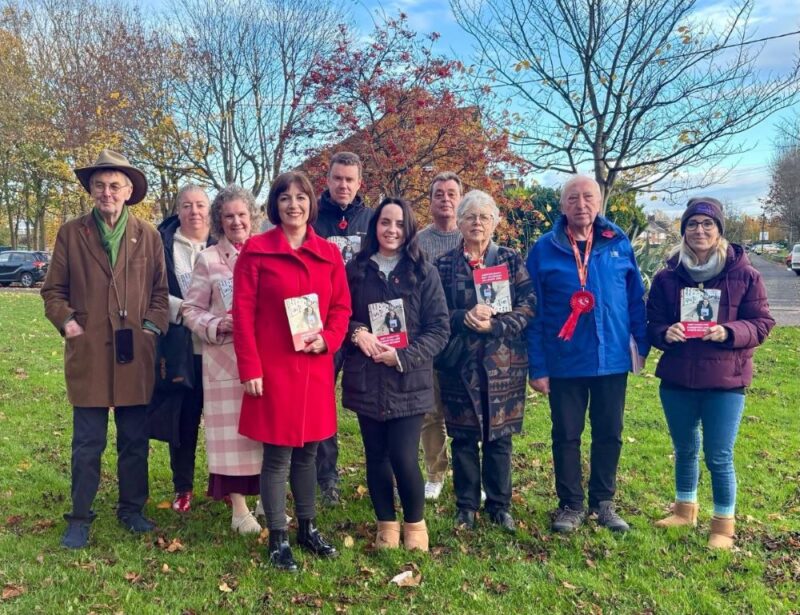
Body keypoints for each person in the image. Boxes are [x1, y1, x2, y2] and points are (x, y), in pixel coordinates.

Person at [41, 149, 168, 548]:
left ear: (129, 190)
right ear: (90, 190)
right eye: (99, 185)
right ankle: (80, 515)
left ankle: (132, 509)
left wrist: (150, 328)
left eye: (115, 185)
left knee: (134, 439)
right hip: (91, 352)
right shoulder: (71, 233)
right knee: (87, 442)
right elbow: (52, 292)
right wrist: (69, 323)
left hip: (135, 354)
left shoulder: (147, 234)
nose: (107, 192)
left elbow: (161, 295)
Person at [233, 171, 351, 571]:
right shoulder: (256, 251)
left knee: (310, 451)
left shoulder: (330, 255)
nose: (294, 205)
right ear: (275, 205)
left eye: (301, 197)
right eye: (285, 198)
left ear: (311, 204)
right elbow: (243, 314)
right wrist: (250, 366)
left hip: (313, 367)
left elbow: (341, 309)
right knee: (278, 454)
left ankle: (307, 526)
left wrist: (330, 339)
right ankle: (278, 538)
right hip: (274, 369)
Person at [646, 197, 774, 549]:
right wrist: (663, 333)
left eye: (707, 225)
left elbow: (762, 323)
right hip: (677, 379)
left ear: (719, 231)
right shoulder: (668, 276)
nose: (699, 231)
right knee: (685, 448)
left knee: (719, 454)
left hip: (725, 382)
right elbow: (652, 321)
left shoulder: (745, 274)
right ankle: (684, 508)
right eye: (692, 225)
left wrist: (730, 332)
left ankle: (723, 525)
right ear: (684, 231)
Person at [526, 175, 649, 534]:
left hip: (611, 358)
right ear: (562, 206)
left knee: (609, 432)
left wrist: (640, 345)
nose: (581, 204)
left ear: (599, 202)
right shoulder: (544, 249)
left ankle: (603, 502)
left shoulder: (617, 242)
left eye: (588, 197)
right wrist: (538, 366)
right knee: (566, 434)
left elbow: (634, 298)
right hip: (564, 360)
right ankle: (570, 504)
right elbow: (533, 312)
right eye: (573, 198)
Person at [342, 197, 450, 551]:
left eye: (399, 224)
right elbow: (339, 315)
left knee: (404, 455)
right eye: (385, 222)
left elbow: (438, 329)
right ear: (374, 226)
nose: (391, 230)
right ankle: (385, 523)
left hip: (408, 378)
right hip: (367, 377)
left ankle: (415, 524)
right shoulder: (356, 269)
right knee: (375, 456)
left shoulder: (423, 271)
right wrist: (358, 333)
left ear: (410, 229)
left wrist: (403, 356)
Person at [435, 190, 535, 532]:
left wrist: (497, 325)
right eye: (470, 217)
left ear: (495, 222)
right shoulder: (444, 265)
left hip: (502, 363)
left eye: (484, 217)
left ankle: (499, 504)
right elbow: (432, 314)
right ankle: (466, 505)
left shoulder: (510, 260)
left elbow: (528, 304)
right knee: (462, 438)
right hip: (459, 365)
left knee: (499, 438)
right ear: (459, 222)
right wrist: (464, 316)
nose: (477, 223)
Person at [181, 185, 264, 534]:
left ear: (252, 217)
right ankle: (239, 510)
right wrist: (217, 323)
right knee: (232, 436)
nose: (236, 222)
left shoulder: (267, 254)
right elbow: (190, 309)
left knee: (264, 433)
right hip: (224, 361)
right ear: (219, 220)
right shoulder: (209, 259)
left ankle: (267, 503)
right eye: (228, 216)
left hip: (264, 358)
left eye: (241, 215)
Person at [310, 151, 373, 506]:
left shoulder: (371, 219)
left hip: (364, 322)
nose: (344, 185)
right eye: (338, 178)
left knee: (373, 400)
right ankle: (326, 478)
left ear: (359, 182)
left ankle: (381, 471)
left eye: (350, 179)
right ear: (328, 180)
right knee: (322, 402)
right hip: (325, 322)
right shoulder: (314, 218)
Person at [150, 184, 213, 513]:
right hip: (180, 349)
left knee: (222, 424)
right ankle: (183, 487)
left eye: (200, 204)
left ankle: (224, 486)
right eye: (187, 205)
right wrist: (188, 314)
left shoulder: (221, 243)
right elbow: (154, 292)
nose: (194, 211)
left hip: (219, 350)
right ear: (178, 210)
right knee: (183, 422)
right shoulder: (162, 245)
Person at [416, 172, 464, 501]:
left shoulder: (473, 236)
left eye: (451, 193)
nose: (445, 199)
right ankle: (435, 471)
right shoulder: (418, 242)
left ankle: (468, 471)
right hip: (428, 338)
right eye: (438, 194)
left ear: (460, 199)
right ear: (430, 201)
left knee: (464, 411)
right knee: (431, 411)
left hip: (465, 340)